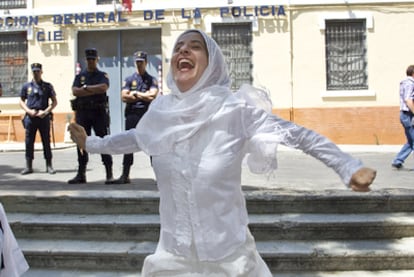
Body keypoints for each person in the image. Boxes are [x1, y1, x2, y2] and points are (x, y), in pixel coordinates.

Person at [69, 29, 376, 276]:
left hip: (230, 262)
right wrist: (91, 144)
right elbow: (133, 138)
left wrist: (348, 167)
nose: (183, 51)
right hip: (172, 260)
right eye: (178, 47)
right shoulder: (160, 114)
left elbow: (299, 136)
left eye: (194, 46)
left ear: (212, 63)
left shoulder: (235, 111)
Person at [107, 51, 158, 184]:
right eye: (137, 62)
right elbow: (124, 96)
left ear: (146, 63)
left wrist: (134, 93)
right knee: (128, 144)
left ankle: (159, 175)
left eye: (141, 62)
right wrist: (143, 95)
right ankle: (125, 175)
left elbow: (152, 96)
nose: (139, 64)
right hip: (132, 115)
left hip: (147, 116)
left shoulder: (151, 79)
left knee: (152, 145)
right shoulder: (129, 79)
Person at [68, 48, 114, 184]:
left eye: (93, 59)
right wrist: (91, 90)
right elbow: (75, 91)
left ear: (97, 60)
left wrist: (86, 89)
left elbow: (103, 87)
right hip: (83, 113)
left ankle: (109, 173)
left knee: (103, 141)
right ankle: (81, 173)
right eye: (89, 59)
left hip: (98, 113)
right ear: (85, 60)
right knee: (81, 142)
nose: (91, 62)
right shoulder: (80, 76)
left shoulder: (102, 75)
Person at [19, 63, 57, 175]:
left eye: (38, 71)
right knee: (29, 142)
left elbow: (54, 102)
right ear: (32, 72)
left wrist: (45, 112)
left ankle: (49, 165)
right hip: (31, 117)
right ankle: (28, 166)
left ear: (41, 72)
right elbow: (21, 101)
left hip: (43, 117)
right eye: (34, 71)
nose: (36, 73)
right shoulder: (26, 86)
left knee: (46, 141)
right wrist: (28, 111)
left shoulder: (47, 86)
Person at [391, 65, 414, 169]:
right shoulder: (410, 84)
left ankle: (398, 161)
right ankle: (397, 160)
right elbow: (408, 100)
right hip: (408, 115)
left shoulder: (404, 82)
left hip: (404, 115)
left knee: (411, 140)